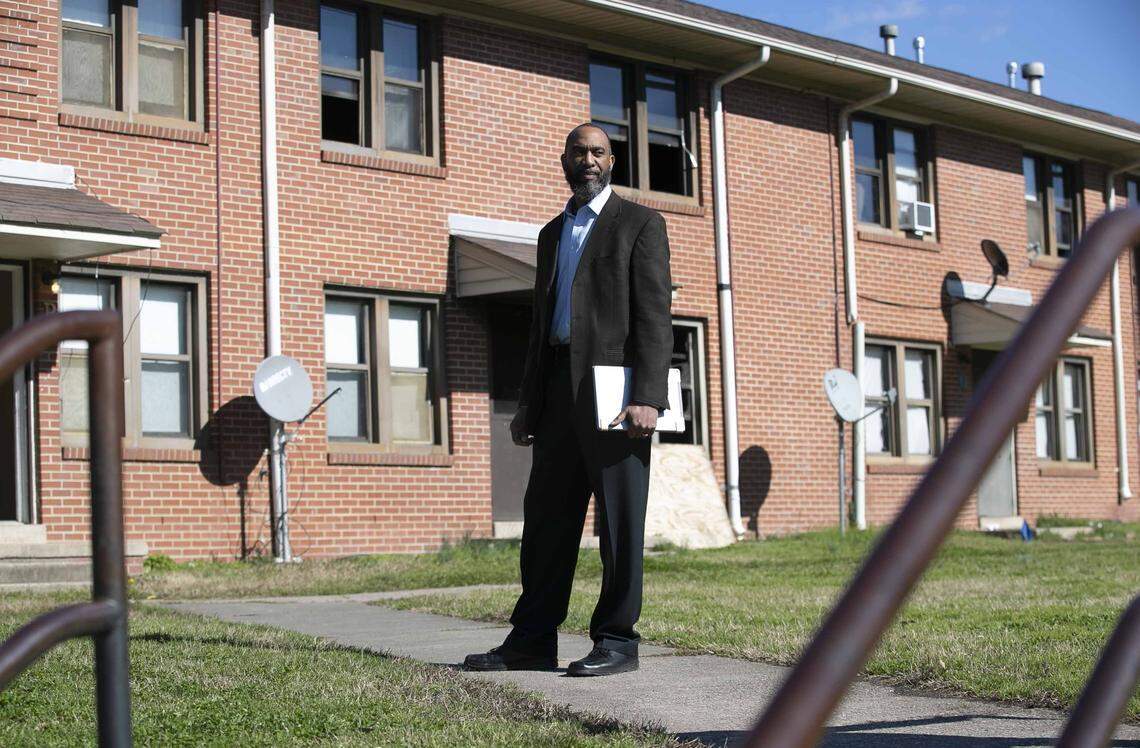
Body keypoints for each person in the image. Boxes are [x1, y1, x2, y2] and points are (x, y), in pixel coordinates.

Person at [464, 123, 672, 677]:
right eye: (579, 152)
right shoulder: (552, 233)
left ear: (613, 161)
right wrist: (529, 404)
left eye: (599, 152)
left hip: (616, 398)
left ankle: (617, 641)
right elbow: (541, 327)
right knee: (547, 520)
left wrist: (649, 395)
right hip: (557, 390)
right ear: (563, 161)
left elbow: (655, 316)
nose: (589, 160)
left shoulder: (641, 224)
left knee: (620, 522)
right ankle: (532, 638)